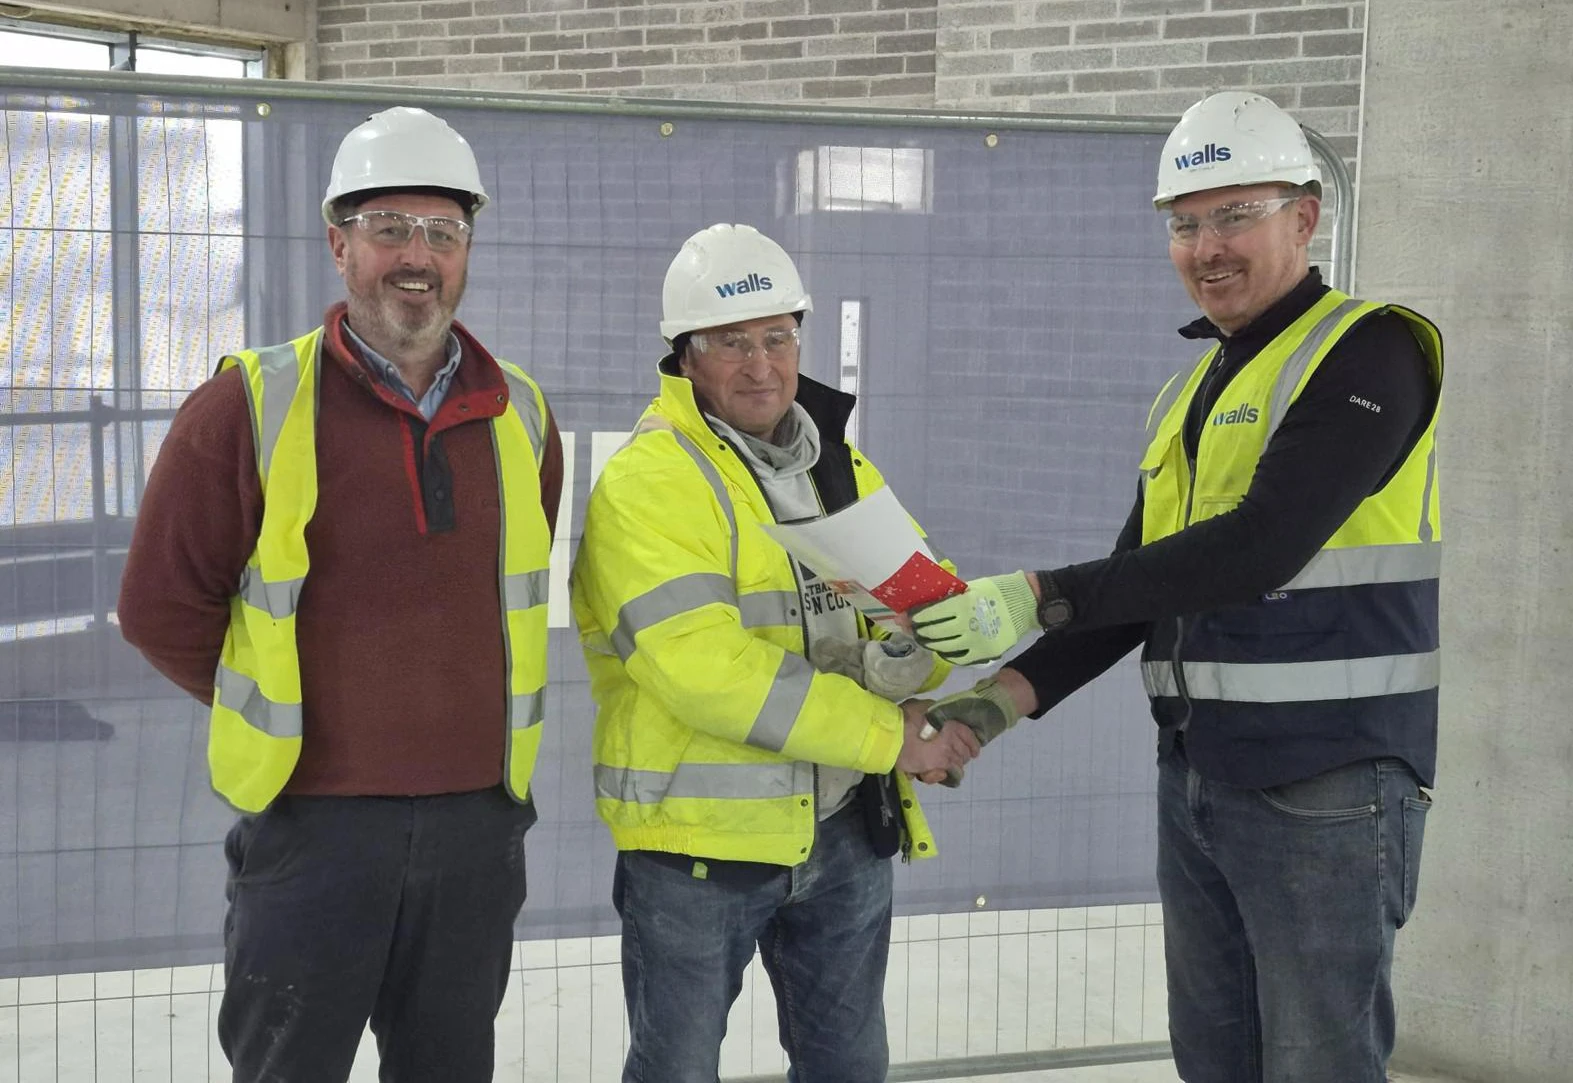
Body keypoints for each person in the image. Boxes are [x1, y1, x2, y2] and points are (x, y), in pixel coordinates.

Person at [911, 91, 1444, 1083]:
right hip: (1200, 776)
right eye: (1185, 224)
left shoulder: (1369, 352)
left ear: (1303, 215)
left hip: (1329, 783)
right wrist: (993, 706)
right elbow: (1134, 587)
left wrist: (1026, 592)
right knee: (1216, 1057)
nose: (1208, 246)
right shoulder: (1193, 392)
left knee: (1316, 1062)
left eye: (1235, 214)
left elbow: (1258, 549)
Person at [117, 106, 563, 1082]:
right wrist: (284, 707)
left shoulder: (522, 415)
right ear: (338, 244)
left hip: (477, 830)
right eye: (389, 228)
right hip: (314, 834)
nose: (419, 255)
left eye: (443, 233)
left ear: (465, 251)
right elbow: (158, 608)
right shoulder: (246, 407)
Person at [570, 223, 979, 1082]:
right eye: (731, 343)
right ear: (684, 358)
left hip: (841, 836)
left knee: (848, 1067)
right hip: (698, 850)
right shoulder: (652, 481)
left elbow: (931, 617)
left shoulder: (841, 467)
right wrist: (888, 736)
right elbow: (706, 673)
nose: (761, 364)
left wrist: (913, 648)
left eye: (777, 336)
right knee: (676, 1070)